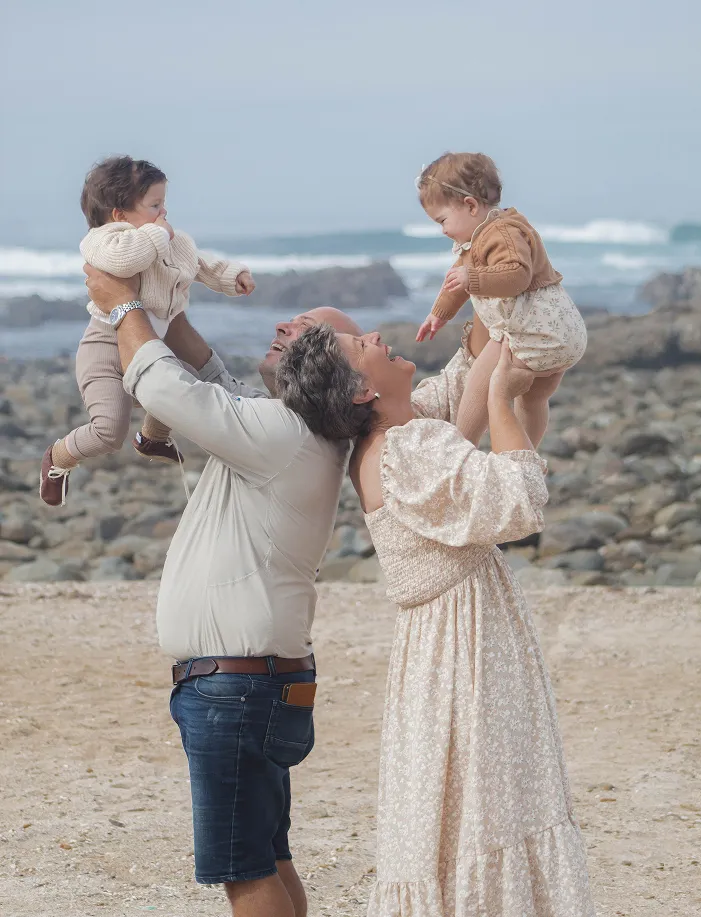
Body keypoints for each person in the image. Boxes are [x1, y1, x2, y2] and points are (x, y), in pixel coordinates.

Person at [276, 325, 596, 916]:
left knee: (455, 811)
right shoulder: (410, 446)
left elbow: (466, 371)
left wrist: (486, 280)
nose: (374, 334)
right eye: (359, 344)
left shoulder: (391, 437)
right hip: (469, 646)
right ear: (359, 391)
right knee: (492, 803)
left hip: (437, 645)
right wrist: (502, 398)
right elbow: (519, 500)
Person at [82, 264, 366, 917]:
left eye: (308, 330)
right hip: (258, 682)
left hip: (236, 689)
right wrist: (168, 304)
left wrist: (122, 305)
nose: (282, 325)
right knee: (267, 856)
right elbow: (207, 374)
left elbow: (162, 383)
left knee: (246, 869)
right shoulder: (290, 430)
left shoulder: (278, 435)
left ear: (326, 368)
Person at [40, 155, 255, 507]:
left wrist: (232, 276)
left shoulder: (169, 238)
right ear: (119, 216)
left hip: (150, 345)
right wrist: (156, 233)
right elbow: (123, 261)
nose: (164, 214)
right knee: (108, 432)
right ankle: (58, 457)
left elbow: (200, 263)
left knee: (185, 389)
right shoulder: (104, 240)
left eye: (164, 204)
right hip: (106, 347)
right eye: (154, 205)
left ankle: (152, 438)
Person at [415, 151, 588, 448]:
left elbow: (517, 275)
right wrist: (439, 313)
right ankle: (525, 458)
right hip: (560, 336)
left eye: (442, 220)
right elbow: (456, 280)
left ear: (470, 205)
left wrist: (473, 280)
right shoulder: (475, 238)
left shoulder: (503, 233)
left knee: (480, 383)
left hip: (533, 333)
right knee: (533, 398)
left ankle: (460, 451)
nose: (442, 230)